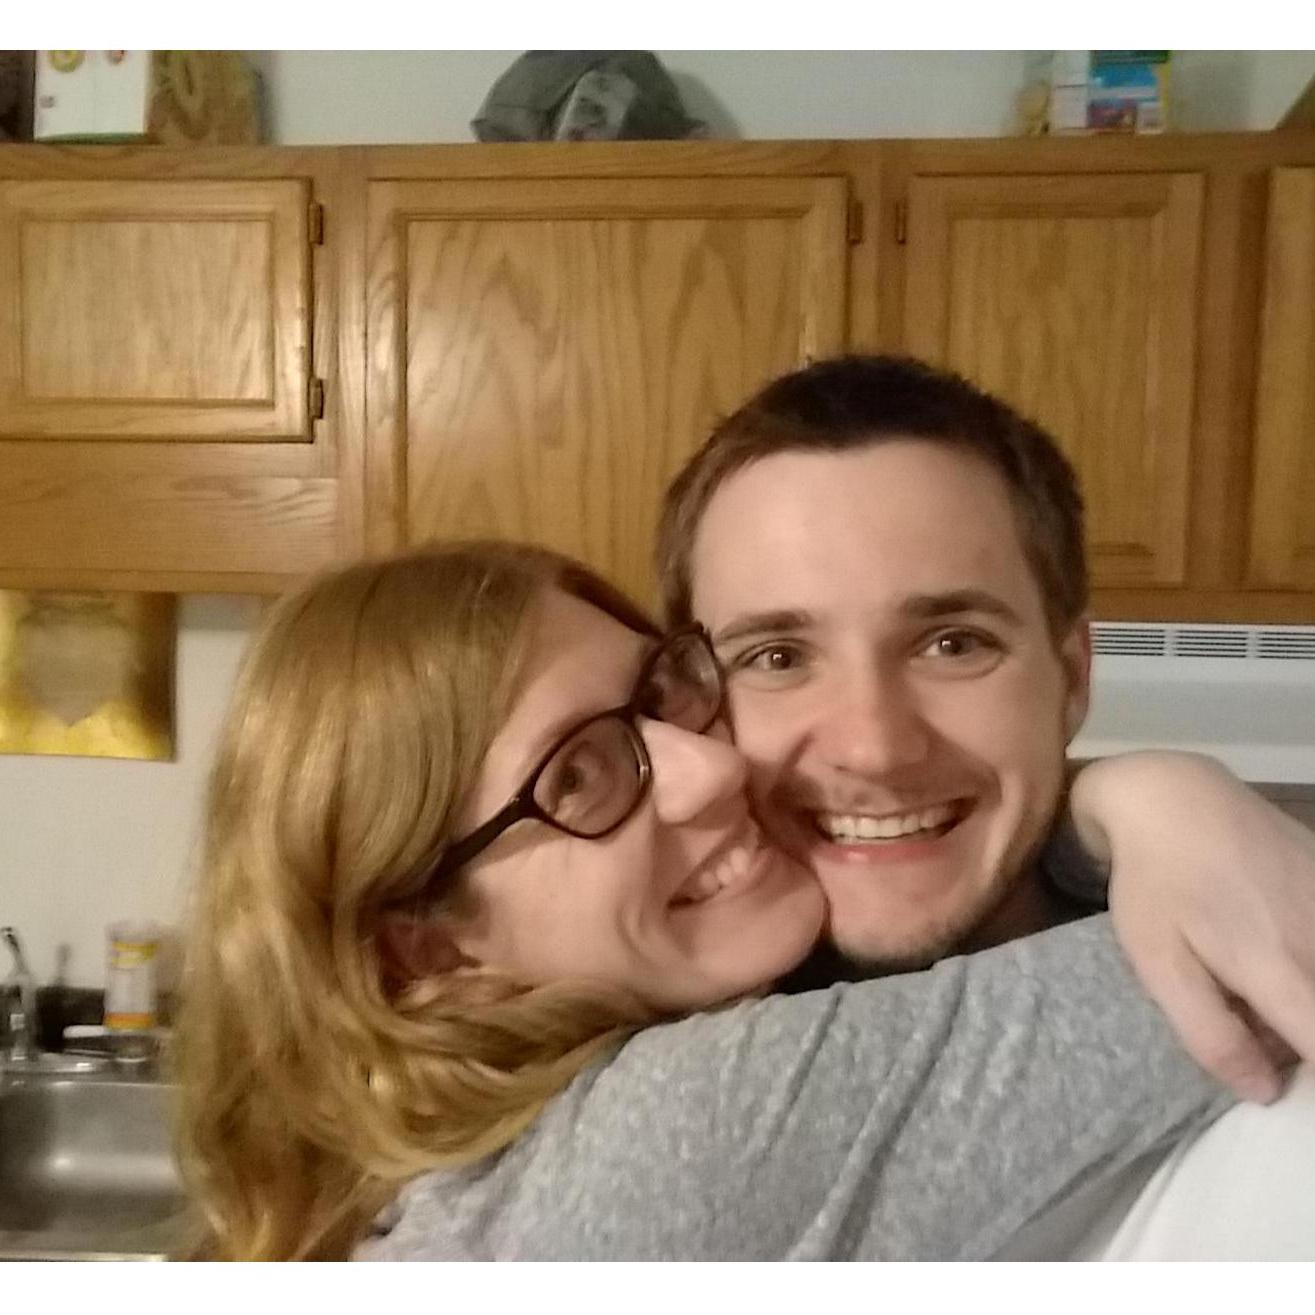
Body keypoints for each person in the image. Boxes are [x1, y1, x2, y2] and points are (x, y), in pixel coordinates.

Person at [175, 539, 1299, 1262]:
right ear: (424, 951)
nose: (714, 771)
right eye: (579, 778)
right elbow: (1251, 952)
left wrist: (1121, 796)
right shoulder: (657, 1145)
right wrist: (1157, 798)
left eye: (665, 689)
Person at [656, 354, 1315, 1102]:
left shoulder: (1277, 959)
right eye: (776, 656)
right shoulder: (612, 1048)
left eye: (952, 644)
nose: (873, 749)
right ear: (689, 702)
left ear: (1070, 677)